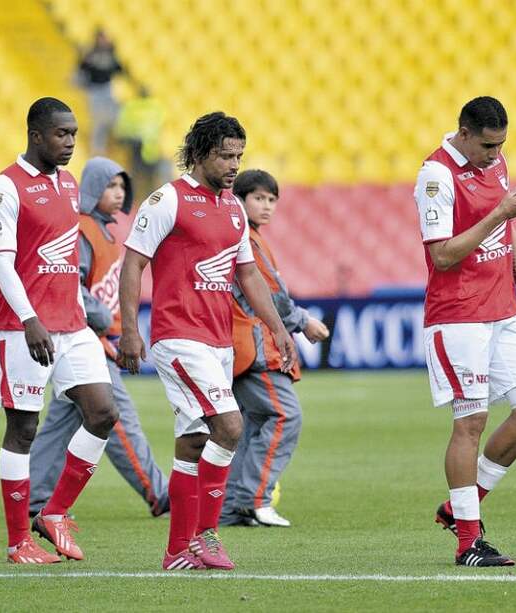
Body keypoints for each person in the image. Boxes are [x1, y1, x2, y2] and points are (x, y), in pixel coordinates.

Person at [118, 112, 297, 571]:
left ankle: (177, 551)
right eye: (225, 155)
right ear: (199, 153)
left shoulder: (233, 208)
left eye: (239, 155)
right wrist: (130, 329)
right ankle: (207, 536)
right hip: (179, 337)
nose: (234, 164)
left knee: (194, 442)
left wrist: (278, 328)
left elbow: (249, 274)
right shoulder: (166, 201)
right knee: (231, 427)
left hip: (218, 341)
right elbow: (134, 263)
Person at [414, 96, 516, 567]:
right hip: (459, 316)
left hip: (503, 311)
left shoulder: (495, 163)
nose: (495, 155)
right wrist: (498, 214)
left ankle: (460, 508)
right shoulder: (435, 176)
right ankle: (468, 542)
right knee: (470, 422)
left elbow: (507, 238)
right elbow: (443, 256)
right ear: (465, 133)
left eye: (501, 146)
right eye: (487, 146)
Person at [0, 97, 118, 564]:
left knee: (103, 412)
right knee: (23, 428)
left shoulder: (68, 184)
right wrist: (29, 320)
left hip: (72, 324)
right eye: (62, 134)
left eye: (75, 135)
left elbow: (63, 260)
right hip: (24, 328)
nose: (70, 143)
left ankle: (55, 512)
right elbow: (1, 259)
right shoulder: (5, 187)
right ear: (36, 135)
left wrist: (89, 327)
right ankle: (18, 540)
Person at [27, 156, 168, 519]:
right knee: (118, 419)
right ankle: (158, 492)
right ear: (91, 189)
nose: (118, 193)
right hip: (86, 339)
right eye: (110, 186)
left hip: (91, 339)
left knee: (61, 423)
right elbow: (69, 282)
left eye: (122, 186)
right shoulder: (83, 230)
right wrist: (101, 317)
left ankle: (36, 497)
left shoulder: (106, 232)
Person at [219, 169, 330, 528]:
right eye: (258, 198)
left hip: (239, 345)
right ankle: (255, 498)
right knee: (285, 415)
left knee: (252, 423)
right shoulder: (246, 240)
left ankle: (235, 504)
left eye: (271, 200)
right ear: (240, 200)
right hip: (254, 346)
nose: (266, 206)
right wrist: (304, 321)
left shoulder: (249, 237)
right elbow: (269, 296)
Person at [77, 29, 123, 155]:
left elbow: (119, 69)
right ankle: (97, 149)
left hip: (107, 88)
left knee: (114, 117)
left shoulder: (111, 53)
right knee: (98, 121)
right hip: (95, 90)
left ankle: (113, 145)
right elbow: (82, 69)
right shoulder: (91, 54)